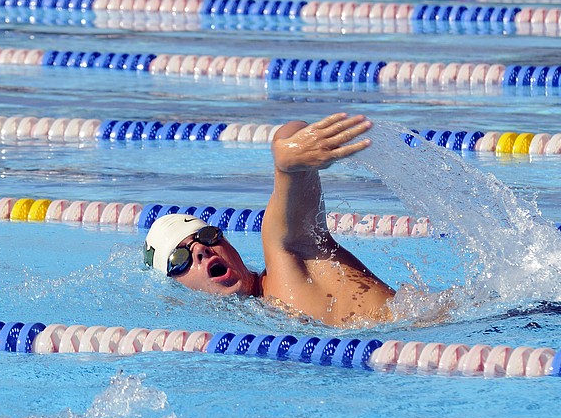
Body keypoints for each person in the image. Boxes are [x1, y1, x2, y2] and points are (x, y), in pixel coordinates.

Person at [144, 113, 410, 327]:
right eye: (180, 258)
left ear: (228, 244)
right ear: (178, 289)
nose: (201, 250)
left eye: (207, 236)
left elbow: (291, 139)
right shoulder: (264, 318)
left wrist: (287, 156)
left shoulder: (290, 258)